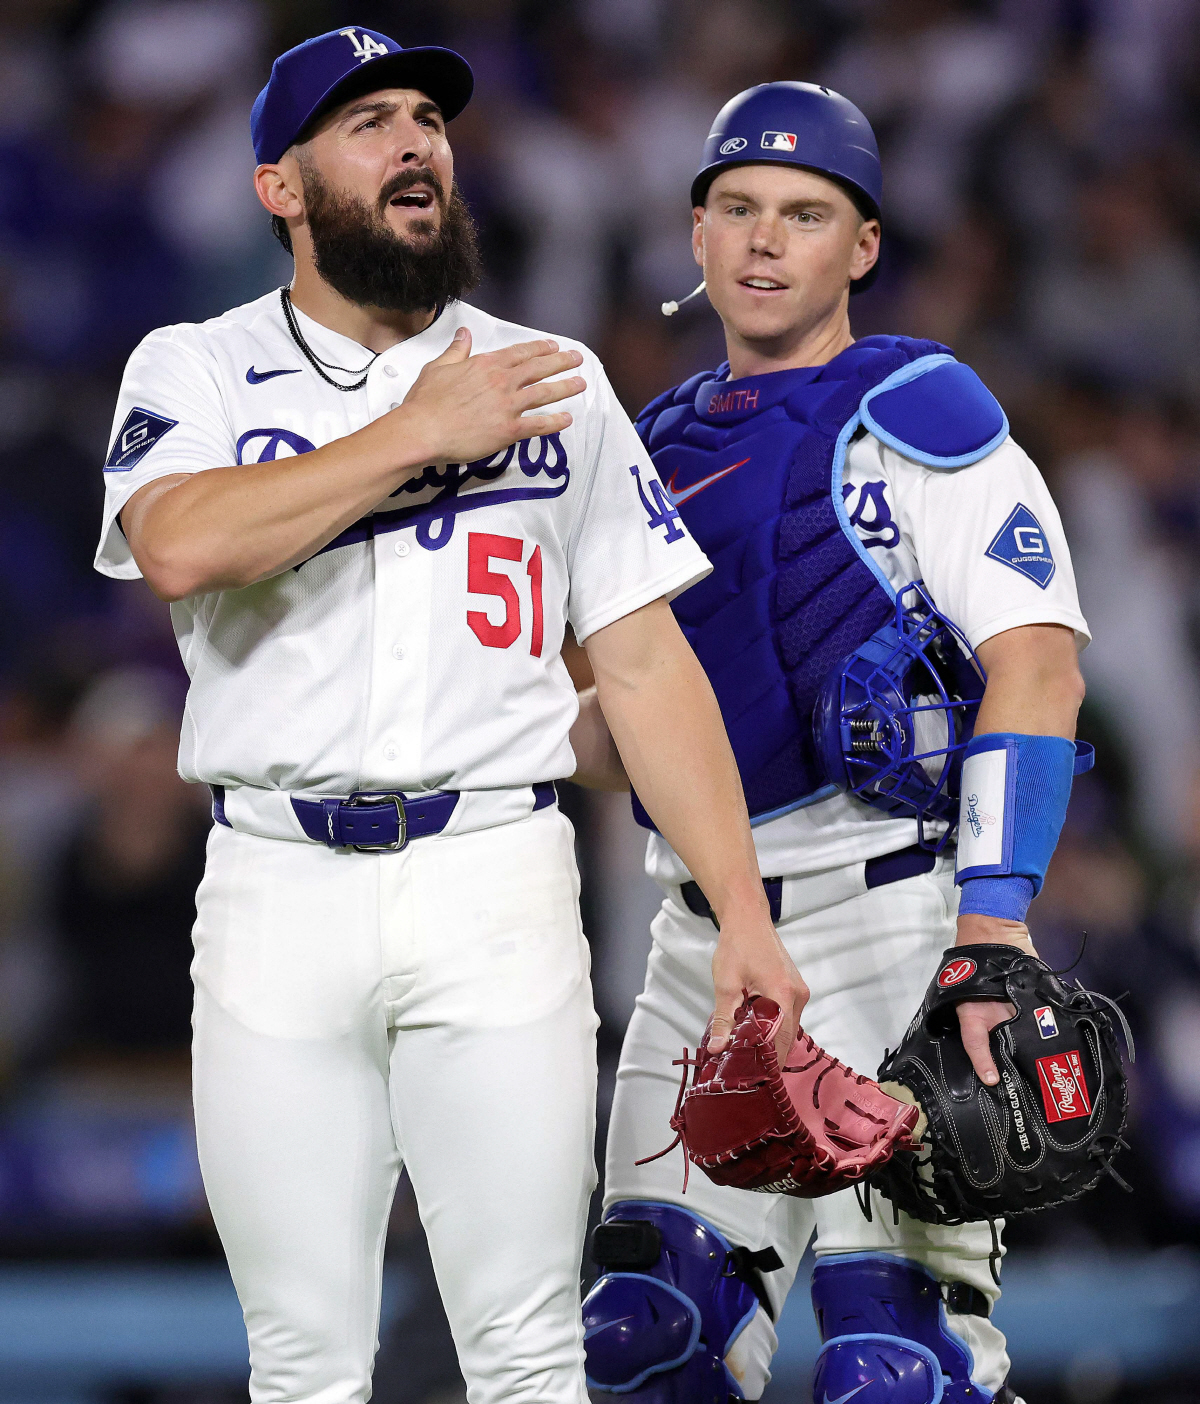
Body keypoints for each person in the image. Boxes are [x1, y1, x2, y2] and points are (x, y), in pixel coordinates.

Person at [92, 29, 807, 1404]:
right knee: (303, 1360)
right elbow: (178, 546)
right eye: (368, 123)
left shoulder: (550, 377)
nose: (416, 141)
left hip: (497, 876)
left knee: (531, 1349)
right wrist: (420, 429)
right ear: (280, 188)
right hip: (274, 883)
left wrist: (746, 917)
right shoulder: (195, 366)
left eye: (427, 116)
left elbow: (645, 667)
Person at [576, 83, 1091, 1404]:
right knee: (647, 1339)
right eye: (737, 210)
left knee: (891, 1366)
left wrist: (993, 923)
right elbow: (601, 740)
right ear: (694, 235)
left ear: (861, 246)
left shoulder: (920, 411)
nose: (763, 240)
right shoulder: (645, 449)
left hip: (894, 924)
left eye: (804, 214)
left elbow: (1035, 661)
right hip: (703, 941)